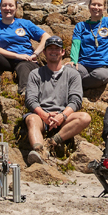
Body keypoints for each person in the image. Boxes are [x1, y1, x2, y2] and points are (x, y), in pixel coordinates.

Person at [25, 36, 91, 164]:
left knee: (85, 117)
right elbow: (30, 100)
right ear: (44, 52)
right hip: (42, 115)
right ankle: (39, 152)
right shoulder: (35, 74)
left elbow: (76, 100)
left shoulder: (73, 74)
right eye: (50, 48)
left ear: (63, 52)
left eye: (57, 48)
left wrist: (62, 116)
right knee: (31, 119)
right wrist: (44, 115)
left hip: (63, 117)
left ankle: (52, 143)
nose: (53, 51)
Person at [0, 0, 50, 94]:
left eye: (10, 5)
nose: (7, 8)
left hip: (27, 60)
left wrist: (35, 54)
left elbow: (46, 37)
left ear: (16, 8)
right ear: (0, 7)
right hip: (6, 59)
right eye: (4, 5)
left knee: (23, 67)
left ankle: (25, 91)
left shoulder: (25, 23)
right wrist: (17, 56)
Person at [68, 0, 108, 91]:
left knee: (99, 76)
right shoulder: (80, 26)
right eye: (93, 4)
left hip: (104, 67)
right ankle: (83, 84)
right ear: (89, 6)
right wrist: (73, 61)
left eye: (99, 5)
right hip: (84, 66)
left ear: (104, 7)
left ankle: (76, 86)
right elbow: (76, 45)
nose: (96, 7)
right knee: (68, 70)